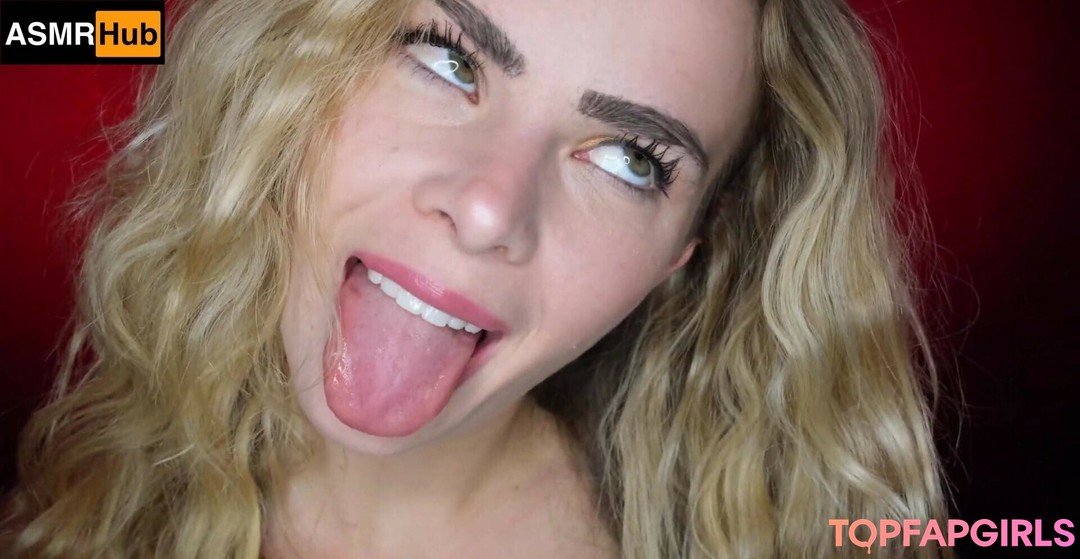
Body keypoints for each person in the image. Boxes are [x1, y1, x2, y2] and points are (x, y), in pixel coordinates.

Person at [1, 0, 952, 557]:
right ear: (295, 65)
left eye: (630, 159)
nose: (491, 208)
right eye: (447, 58)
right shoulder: (99, 469)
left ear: (683, 254)